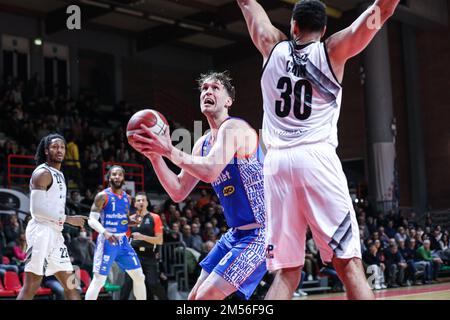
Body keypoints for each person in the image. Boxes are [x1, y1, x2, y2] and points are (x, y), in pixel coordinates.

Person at [237, 0, 400, 299]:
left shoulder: (270, 44)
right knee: (348, 264)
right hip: (316, 160)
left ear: (293, 26)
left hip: (275, 165)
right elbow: (384, 10)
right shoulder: (333, 50)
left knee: (287, 272)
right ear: (324, 29)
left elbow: (248, 3)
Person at [130, 71, 266, 300]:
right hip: (235, 234)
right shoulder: (202, 144)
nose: (208, 92)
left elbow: (211, 170)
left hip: (263, 232)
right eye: (204, 89)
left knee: (205, 298)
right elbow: (178, 191)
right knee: (194, 298)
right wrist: (155, 156)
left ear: (228, 101)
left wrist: (169, 150)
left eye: (215, 88)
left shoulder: (235, 128)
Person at [17, 134, 87, 300]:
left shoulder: (59, 174)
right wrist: (69, 219)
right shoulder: (42, 173)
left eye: (62, 147)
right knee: (31, 286)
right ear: (46, 150)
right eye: (55, 147)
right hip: (40, 233)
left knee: (72, 284)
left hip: (55, 234)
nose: (60, 150)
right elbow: (37, 210)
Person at [85, 166, 146, 300]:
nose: (117, 177)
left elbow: (123, 220)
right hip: (107, 241)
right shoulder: (102, 196)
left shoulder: (127, 198)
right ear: (109, 177)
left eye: (120, 175)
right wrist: (105, 232)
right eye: (114, 174)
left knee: (139, 277)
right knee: (99, 280)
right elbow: (91, 220)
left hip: (123, 242)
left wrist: (132, 221)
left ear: (123, 178)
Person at [120, 192, 167, 300]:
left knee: (153, 284)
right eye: (138, 200)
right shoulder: (130, 219)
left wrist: (142, 237)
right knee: (127, 284)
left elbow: (159, 240)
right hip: (133, 255)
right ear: (135, 204)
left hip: (149, 254)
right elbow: (125, 238)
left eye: (143, 200)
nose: (141, 202)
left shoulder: (155, 217)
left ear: (147, 203)